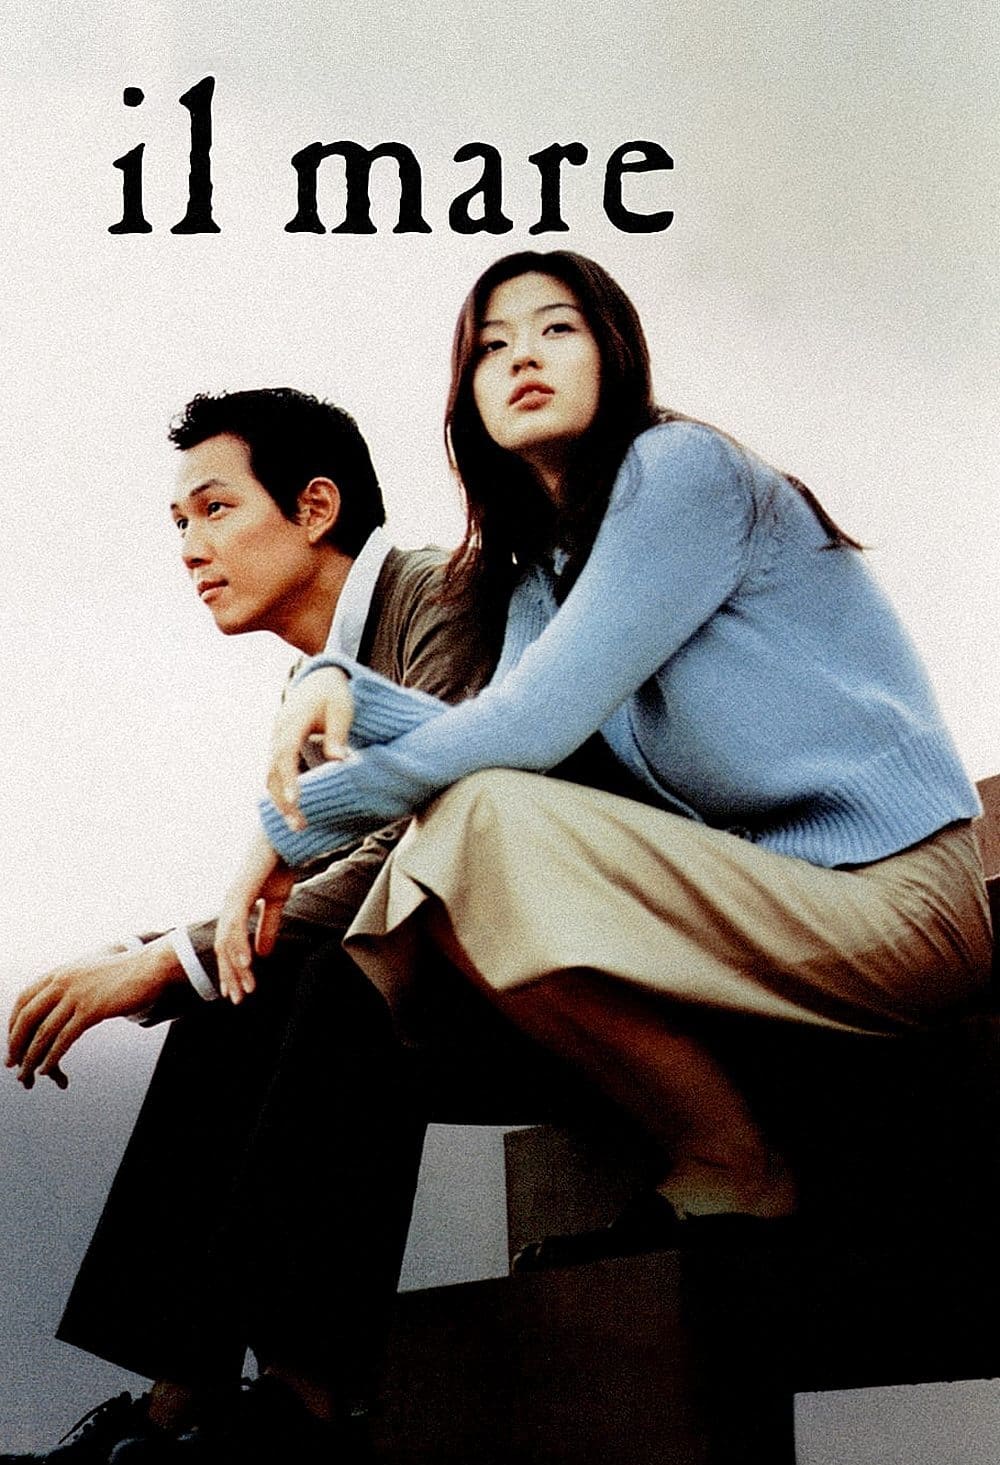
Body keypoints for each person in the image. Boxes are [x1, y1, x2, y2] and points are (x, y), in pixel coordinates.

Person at [217, 250, 992, 1259]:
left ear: (614, 352)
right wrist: (341, 690)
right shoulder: (545, 573)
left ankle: (729, 1159)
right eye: (492, 346)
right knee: (444, 856)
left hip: (897, 908)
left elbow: (525, 729)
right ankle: (282, 1329)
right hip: (763, 902)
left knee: (473, 825)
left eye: (557, 329)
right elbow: (497, 729)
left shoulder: (682, 473)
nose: (522, 358)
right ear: (467, 395)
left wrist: (288, 828)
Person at [0, 386, 514, 1465]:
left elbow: (438, 841)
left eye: (216, 508)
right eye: (179, 523)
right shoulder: (311, 675)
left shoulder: (446, 596)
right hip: (439, 974)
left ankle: (304, 1407)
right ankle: (175, 1406)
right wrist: (176, 957)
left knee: (320, 982)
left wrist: (174, 958)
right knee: (247, 989)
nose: (192, 548)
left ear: (316, 507)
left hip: (565, 974)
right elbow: (329, 870)